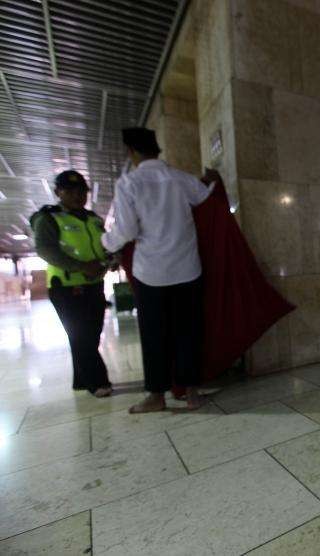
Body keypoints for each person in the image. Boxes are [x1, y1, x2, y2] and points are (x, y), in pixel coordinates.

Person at [101, 128, 213, 413]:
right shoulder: (181, 179)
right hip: (188, 268)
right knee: (188, 331)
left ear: (132, 152)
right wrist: (212, 181)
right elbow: (207, 198)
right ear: (157, 150)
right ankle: (191, 392)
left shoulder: (129, 182)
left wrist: (106, 241)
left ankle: (156, 396)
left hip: (150, 273)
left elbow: (125, 230)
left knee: (154, 334)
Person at [31, 170, 112, 397]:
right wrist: (81, 266)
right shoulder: (48, 218)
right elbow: (45, 250)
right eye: (70, 191)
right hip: (65, 287)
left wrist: (109, 261)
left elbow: (104, 246)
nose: (78, 195)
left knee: (93, 334)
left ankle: (81, 380)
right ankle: (98, 382)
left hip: (94, 284)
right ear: (58, 192)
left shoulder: (94, 219)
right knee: (80, 335)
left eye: (82, 191)